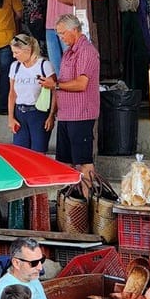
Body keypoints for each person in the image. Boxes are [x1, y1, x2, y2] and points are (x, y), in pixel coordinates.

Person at [39, 15, 98, 192]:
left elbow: (82, 83)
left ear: (74, 30)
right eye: (59, 34)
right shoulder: (68, 53)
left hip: (81, 114)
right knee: (64, 161)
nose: (61, 37)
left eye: (63, 33)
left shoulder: (86, 51)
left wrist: (55, 84)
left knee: (84, 162)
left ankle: (86, 202)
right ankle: (69, 203)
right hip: (66, 114)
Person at [7, 33, 56, 153]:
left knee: (39, 152)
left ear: (27, 50)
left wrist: (51, 115)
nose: (14, 56)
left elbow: (55, 91)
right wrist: (10, 117)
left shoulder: (44, 65)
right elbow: (12, 93)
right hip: (20, 113)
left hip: (38, 113)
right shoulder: (15, 66)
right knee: (20, 153)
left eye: (17, 53)